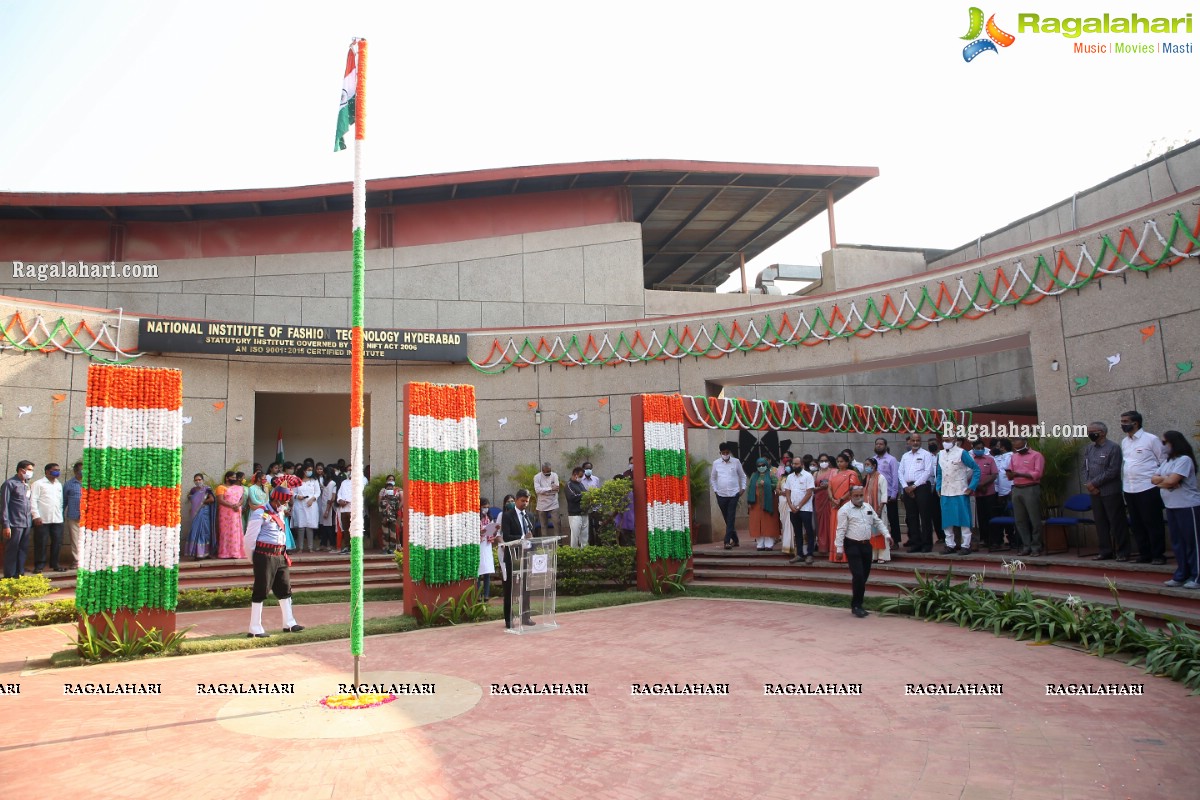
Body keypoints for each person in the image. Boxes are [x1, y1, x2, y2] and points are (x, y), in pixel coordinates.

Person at [246, 487, 304, 638]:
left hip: (280, 554)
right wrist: (254, 558)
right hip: (264, 555)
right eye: (283, 501)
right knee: (261, 590)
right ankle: (255, 627)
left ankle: (289, 623)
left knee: (285, 588)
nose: (284, 504)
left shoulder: (279, 512)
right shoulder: (260, 512)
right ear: (275, 499)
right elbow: (250, 538)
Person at [1151, 431, 1200, 589]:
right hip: (1171, 506)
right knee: (1178, 543)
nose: (1162, 446)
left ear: (1174, 442)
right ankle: (1181, 574)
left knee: (1192, 543)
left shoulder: (1184, 460)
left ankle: (1197, 576)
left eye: (1165, 443)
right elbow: (1153, 479)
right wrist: (1167, 481)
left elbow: (1172, 481)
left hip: (1187, 506)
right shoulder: (1167, 461)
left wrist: (1168, 481)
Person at [835, 486, 892, 618]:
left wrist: (887, 535)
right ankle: (856, 605)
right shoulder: (845, 510)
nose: (859, 498)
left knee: (864, 576)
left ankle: (859, 602)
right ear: (850, 496)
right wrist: (839, 548)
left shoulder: (867, 507)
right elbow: (841, 529)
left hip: (866, 545)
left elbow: (877, 522)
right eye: (856, 496)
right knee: (858, 575)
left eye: (861, 495)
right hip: (852, 545)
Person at [1120, 410, 1167, 564]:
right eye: (1122, 421)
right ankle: (1144, 553)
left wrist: (1159, 480)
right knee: (1137, 523)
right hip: (1130, 488)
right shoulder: (1124, 442)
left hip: (1148, 487)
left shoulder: (1151, 439)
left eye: (1126, 421)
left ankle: (1158, 555)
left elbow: (1163, 461)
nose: (1123, 424)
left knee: (1152, 522)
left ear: (1136, 423)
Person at [1082, 422, 1128, 561]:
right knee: (1100, 523)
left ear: (1102, 432)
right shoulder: (1089, 449)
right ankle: (1105, 551)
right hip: (1094, 492)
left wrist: (1094, 483)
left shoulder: (1113, 447)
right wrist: (1088, 484)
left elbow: (1113, 471)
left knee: (1116, 522)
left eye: (1092, 431)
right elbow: (1084, 468)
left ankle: (1123, 552)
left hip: (1110, 491)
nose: (1089, 434)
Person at [936, 436, 981, 555]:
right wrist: (938, 487)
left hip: (960, 490)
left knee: (964, 519)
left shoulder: (962, 453)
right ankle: (950, 545)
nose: (946, 442)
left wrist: (971, 487)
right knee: (947, 520)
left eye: (948, 440)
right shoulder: (940, 454)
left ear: (955, 440)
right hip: (946, 491)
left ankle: (965, 545)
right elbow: (939, 472)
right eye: (944, 440)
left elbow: (976, 469)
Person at [500, 489, 535, 628]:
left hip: (526, 556)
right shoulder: (508, 516)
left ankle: (526, 617)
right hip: (513, 557)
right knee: (510, 588)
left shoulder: (530, 516)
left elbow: (533, 535)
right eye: (522, 501)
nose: (525, 504)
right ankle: (509, 619)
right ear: (516, 500)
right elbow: (507, 537)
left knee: (526, 588)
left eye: (527, 501)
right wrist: (522, 538)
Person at [1007, 437, 1045, 556]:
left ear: (1025, 441)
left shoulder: (1036, 455)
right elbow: (1010, 474)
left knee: (1034, 519)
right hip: (1016, 488)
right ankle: (1026, 545)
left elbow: (1038, 474)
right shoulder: (1014, 456)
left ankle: (1036, 546)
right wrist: (1010, 474)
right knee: (1020, 520)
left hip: (1031, 488)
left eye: (1016, 441)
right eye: (1013, 442)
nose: (1014, 443)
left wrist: (1019, 474)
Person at [899, 434, 937, 553]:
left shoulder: (926, 454)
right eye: (913, 440)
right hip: (907, 487)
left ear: (921, 442)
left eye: (918, 440)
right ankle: (916, 543)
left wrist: (914, 486)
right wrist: (906, 487)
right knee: (911, 517)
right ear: (909, 442)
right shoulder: (905, 456)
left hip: (921, 487)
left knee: (925, 516)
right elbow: (900, 472)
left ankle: (926, 544)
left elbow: (928, 472)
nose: (915, 442)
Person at [1, 461, 34, 578]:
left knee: (23, 550)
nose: (31, 472)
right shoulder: (9, 484)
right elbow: (4, 506)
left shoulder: (26, 485)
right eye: (29, 470)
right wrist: (6, 525)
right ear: (21, 470)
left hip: (26, 523)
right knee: (12, 550)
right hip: (14, 523)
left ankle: (19, 574)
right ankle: (9, 576)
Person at [711, 443, 747, 550]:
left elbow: (742, 476)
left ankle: (726, 541)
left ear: (729, 452)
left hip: (734, 494)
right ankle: (735, 539)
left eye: (727, 452)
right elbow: (713, 478)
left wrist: (743, 488)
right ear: (720, 453)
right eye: (723, 453)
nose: (725, 454)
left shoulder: (736, 462)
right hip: (721, 494)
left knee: (731, 517)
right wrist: (716, 490)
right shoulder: (716, 463)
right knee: (727, 518)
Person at [30, 463, 65, 573]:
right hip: (42, 519)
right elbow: (33, 500)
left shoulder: (58, 484)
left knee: (57, 542)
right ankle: (39, 566)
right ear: (47, 472)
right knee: (41, 542)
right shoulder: (38, 484)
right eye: (54, 470)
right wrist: (36, 516)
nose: (57, 472)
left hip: (57, 519)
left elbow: (60, 501)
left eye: (58, 470)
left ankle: (55, 564)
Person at [826, 454, 861, 563]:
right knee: (836, 529)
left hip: (846, 505)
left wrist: (840, 500)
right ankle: (835, 554)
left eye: (842, 461)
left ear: (847, 462)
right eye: (838, 461)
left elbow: (852, 489)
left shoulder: (852, 474)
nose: (839, 463)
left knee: (846, 528)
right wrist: (832, 499)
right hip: (834, 505)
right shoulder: (833, 473)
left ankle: (847, 555)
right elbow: (829, 487)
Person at [783, 457, 816, 564]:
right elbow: (787, 492)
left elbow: (809, 493)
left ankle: (810, 554)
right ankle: (799, 554)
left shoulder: (808, 476)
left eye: (796, 464)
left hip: (805, 509)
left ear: (801, 464)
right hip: (792, 509)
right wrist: (791, 505)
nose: (794, 466)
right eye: (793, 464)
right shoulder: (790, 477)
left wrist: (798, 506)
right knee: (797, 532)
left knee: (809, 531)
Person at [969, 441, 1001, 551]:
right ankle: (984, 540)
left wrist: (983, 484)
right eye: (977, 448)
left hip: (989, 493)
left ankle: (995, 541)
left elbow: (994, 475)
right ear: (972, 448)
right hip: (976, 494)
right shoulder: (969, 460)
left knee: (991, 517)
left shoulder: (990, 459)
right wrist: (977, 486)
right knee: (981, 519)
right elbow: (968, 476)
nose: (980, 449)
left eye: (982, 448)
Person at [746, 456, 780, 551]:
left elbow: (777, 485)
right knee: (757, 523)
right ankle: (760, 544)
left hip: (768, 502)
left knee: (768, 522)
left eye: (763, 465)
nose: (761, 467)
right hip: (755, 503)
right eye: (759, 465)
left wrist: (766, 484)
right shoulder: (753, 475)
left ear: (766, 465)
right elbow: (749, 489)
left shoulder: (771, 475)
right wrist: (749, 501)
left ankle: (769, 544)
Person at [873, 438, 902, 548]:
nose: (879, 446)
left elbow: (895, 476)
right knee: (877, 518)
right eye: (877, 444)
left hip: (889, 493)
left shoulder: (891, 459)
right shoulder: (873, 459)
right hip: (876, 493)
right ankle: (878, 539)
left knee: (892, 518)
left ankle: (896, 541)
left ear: (885, 446)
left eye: (881, 444)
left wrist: (894, 493)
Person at [863, 457, 891, 563]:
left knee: (881, 531)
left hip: (879, 509)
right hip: (869, 509)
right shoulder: (868, 477)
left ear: (874, 466)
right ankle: (873, 555)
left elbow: (884, 494)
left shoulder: (881, 477)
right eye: (865, 465)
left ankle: (883, 556)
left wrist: (879, 509)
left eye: (868, 465)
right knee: (871, 532)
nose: (866, 467)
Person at [991, 438, 1016, 550]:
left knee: (1012, 516)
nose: (997, 448)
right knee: (1002, 516)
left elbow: (1011, 475)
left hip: (1010, 491)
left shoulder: (1012, 457)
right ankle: (1001, 540)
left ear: (1003, 447)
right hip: (1000, 492)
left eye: (999, 446)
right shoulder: (998, 458)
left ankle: (1014, 540)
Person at [184, 473, 216, 559]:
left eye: (199, 479)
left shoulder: (207, 489)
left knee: (205, 532)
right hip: (196, 513)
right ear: (194, 481)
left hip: (204, 512)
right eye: (196, 480)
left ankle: (206, 553)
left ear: (203, 480)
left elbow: (212, 499)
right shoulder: (193, 490)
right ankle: (196, 553)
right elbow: (192, 499)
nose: (198, 481)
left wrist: (202, 502)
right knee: (195, 531)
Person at [215, 470, 245, 559]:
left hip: (236, 512)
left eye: (235, 477)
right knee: (225, 532)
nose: (234, 479)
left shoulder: (238, 488)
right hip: (225, 513)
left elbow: (242, 499)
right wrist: (232, 505)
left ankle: (236, 552)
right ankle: (225, 553)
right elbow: (220, 500)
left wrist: (238, 505)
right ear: (227, 478)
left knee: (236, 531)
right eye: (232, 477)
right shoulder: (221, 487)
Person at [292, 464, 322, 553]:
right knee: (301, 527)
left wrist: (312, 500)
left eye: (311, 470)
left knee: (309, 526)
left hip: (311, 506)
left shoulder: (314, 480)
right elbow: (292, 492)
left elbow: (317, 492)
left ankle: (310, 547)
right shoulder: (297, 481)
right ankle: (300, 548)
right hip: (300, 505)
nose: (310, 471)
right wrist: (298, 496)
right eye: (308, 470)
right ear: (304, 471)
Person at [813, 453, 836, 556]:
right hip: (819, 500)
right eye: (821, 461)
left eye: (825, 460)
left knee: (831, 522)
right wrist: (820, 488)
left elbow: (836, 485)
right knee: (820, 524)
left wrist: (828, 486)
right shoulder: (815, 474)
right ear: (818, 462)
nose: (824, 462)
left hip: (830, 499)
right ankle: (822, 546)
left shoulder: (834, 472)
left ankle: (832, 546)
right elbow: (811, 488)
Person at [63, 461, 83, 569]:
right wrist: (61, 515)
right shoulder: (69, 484)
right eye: (82, 470)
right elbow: (64, 501)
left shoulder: (91, 483)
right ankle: (77, 560)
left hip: (89, 518)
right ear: (75, 471)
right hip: (73, 516)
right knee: (75, 540)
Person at [478, 497, 498, 600]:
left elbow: (492, 531)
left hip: (487, 545)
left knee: (487, 571)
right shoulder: (476, 518)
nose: (486, 509)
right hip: (479, 546)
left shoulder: (489, 518)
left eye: (487, 507)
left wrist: (494, 530)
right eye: (484, 507)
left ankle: (486, 595)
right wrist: (480, 533)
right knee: (479, 571)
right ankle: (477, 595)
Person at [776, 455, 796, 555]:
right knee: (784, 524)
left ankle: (793, 546)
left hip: (792, 502)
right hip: (783, 501)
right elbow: (777, 489)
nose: (788, 467)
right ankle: (786, 545)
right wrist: (781, 492)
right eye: (786, 465)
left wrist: (789, 494)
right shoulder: (782, 477)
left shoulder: (795, 477)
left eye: (790, 465)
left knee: (792, 524)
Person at [533, 462, 560, 534]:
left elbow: (556, 489)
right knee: (543, 525)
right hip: (542, 504)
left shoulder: (554, 475)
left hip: (553, 503)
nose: (549, 472)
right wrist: (550, 488)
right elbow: (537, 490)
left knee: (557, 523)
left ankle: (559, 543)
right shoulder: (537, 477)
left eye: (550, 470)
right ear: (543, 470)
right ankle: (545, 543)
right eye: (547, 471)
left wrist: (544, 491)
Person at [564, 467, 588, 548]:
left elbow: (586, 494)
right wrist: (584, 495)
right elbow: (572, 497)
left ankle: (584, 551)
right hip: (574, 514)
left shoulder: (580, 484)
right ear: (575, 475)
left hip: (584, 512)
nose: (581, 478)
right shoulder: (568, 485)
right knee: (575, 536)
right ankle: (574, 553)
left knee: (584, 536)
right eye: (580, 476)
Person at [377, 475, 401, 554]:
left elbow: (397, 508)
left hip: (393, 518)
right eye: (388, 488)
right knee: (385, 534)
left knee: (393, 534)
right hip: (385, 518)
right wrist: (382, 517)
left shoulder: (395, 499)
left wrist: (396, 517)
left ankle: (392, 548)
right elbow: (380, 507)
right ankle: (385, 548)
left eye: (391, 488)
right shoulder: (383, 499)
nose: (389, 489)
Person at [580, 462, 603, 544]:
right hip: (586, 507)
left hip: (596, 507)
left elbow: (598, 492)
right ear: (583, 469)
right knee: (588, 527)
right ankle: (591, 544)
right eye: (586, 468)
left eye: (590, 468)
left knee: (598, 526)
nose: (588, 470)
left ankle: (599, 544)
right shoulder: (580, 480)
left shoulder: (596, 479)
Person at [318, 466, 338, 551]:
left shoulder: (332, 483)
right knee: (324, 526)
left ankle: (333, 544)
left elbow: (331, 498)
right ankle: (323, 544)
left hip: (329, 508)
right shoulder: (326, 483)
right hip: (324, 507)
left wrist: (327, 511)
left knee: (329, 527)